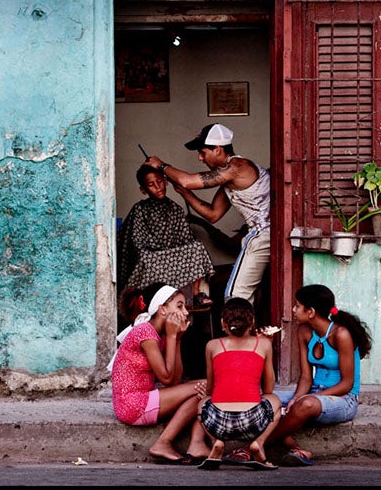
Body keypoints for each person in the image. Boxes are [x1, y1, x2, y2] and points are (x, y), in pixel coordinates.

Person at [241, 283, 372, 467]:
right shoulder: (304, 332)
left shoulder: (341, 334)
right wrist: (296, 397)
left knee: (306, 404)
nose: (293, 310)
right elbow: (305, 378)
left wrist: (309, 397)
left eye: (297, 306)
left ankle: (253, 446)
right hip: (314, 391)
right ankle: (294, 448)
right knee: (262, 398)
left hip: (343, 399)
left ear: (310, 312)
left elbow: (347, 384)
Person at [146, 123, 270, 305]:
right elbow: (213, 214)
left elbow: (186, 180)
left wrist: (161, 165)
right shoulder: (231, 178)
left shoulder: (237, 166)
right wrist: (184, 193)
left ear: (218, 150)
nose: (200, 158)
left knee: (236, 295)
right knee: (237, 293)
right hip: (262, 235)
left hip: (262, 232)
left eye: (203, 152)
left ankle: (242, 333)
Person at [108, 282, 212, 464]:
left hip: (143, 399)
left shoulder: (159, 335)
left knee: (201, 388)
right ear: (162, 310)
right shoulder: (144, 333)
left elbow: (174, 381)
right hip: (132, 405)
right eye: (179, 306)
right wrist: (172, 337)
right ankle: (163, 442)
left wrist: (177, 339)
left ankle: (196, 444)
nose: (186, 313)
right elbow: (165, 377)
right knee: (204, 386)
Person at [195, 297, 281, 470]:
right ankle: (258, 443)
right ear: (253, 322)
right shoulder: (264, 344)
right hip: (252, 422)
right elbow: (269, 388)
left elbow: (210, 389)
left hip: (218, 423)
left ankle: (216, 443)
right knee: (275, 400)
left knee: (202, 402)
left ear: (222, 323)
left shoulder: (212, 345)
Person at [117, 164, 214, 308]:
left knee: (197, 247)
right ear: (143, 190)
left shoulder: (175, 209)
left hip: (172, 257)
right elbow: (137, 245)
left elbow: (186, 239)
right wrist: (158, 254)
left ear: (166, 181)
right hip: (151, 257)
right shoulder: (140, 209)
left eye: (160, 181)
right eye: (151, 184)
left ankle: (196, 294)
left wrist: (173, 253)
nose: (158, 186)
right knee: (146, 258)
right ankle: (150, 300)